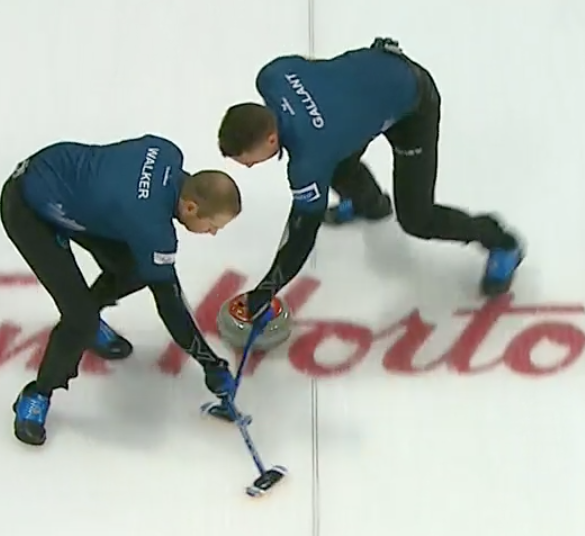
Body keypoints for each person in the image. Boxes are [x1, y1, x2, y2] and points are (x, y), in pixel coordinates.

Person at [215, 37, 526, 326]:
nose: (250, 166)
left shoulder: (310, 160)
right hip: (375, 75)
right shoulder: (273, 74)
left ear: (271, 139)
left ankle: (502, 241)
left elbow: (301, 236)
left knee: (417, 219)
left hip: (413, 104)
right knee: (337, 164)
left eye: (249, 159)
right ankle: (371, 205)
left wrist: (266, 290)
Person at [1, 134, 241, 446]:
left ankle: (88, 318)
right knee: (80, 320)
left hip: (64, 177)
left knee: (138, 268)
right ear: (191, 207)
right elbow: (170, 305)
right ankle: (37, 394)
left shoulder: (166, 151)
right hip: (27, 208)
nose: (212, 233)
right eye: (212, 225)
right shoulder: (152, 228)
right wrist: (210, 363)